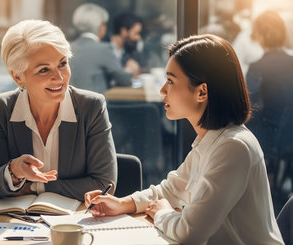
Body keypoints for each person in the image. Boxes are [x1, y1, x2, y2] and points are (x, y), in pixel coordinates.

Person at [85, 34, 284, 244]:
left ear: (202, 92)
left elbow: (190, 233)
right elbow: (170, 190)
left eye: (170, 81)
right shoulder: (212, 140)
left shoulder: (233, 148)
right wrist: (123, 203)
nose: (162, 90)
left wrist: (162, 212)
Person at [0, 19, 117, 201]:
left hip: (74, 222)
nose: (59, 77)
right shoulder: (0, 108)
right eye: (44, 70)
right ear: (18, 76)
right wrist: (14, 170)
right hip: (18, 223)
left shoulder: (91, 107)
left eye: (62, 64)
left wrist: (35, 186)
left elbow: (104, 184)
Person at [245, 11, 293, 198]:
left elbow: (248, 105)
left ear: (260, 35)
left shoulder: (258, 67)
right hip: (288, 137)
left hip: (268, 139)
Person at [69, 3, 135, 93]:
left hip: (72, 104)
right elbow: (124, 80)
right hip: (96, 105)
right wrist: (129, 70)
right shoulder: (103, 49)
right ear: (101, 27)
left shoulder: (68, 48)